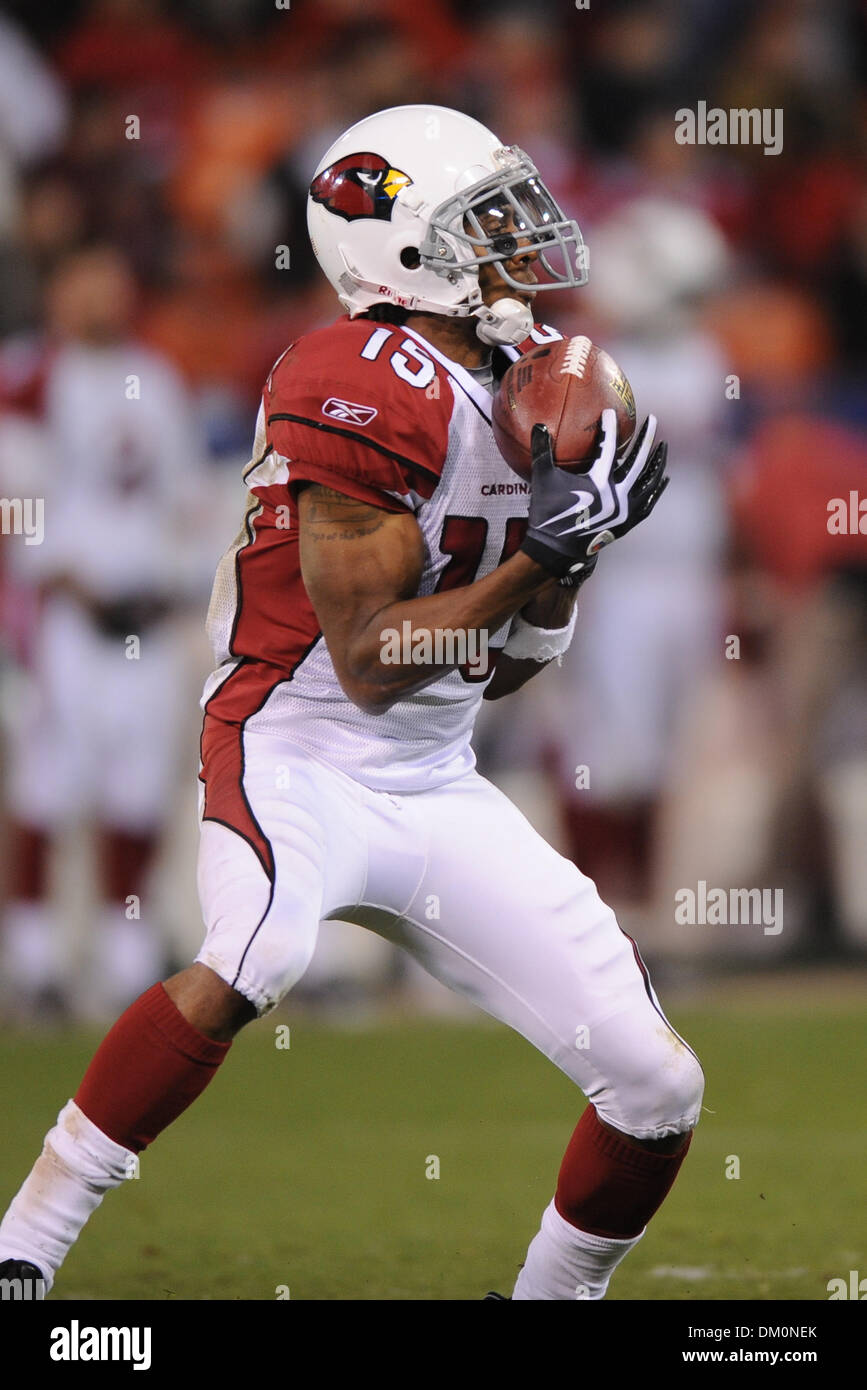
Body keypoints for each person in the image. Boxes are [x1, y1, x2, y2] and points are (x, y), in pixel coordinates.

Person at [0, 104, 702, 1301]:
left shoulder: (532, 375)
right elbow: (372, 656)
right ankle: (26, 1246)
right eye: (482, 224)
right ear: (401, 248)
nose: (515, 243)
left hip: (432, 777)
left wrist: (566, 559)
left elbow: (511, 664)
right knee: (256, 952)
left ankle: (550, 1301)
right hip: (296, 748)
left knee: (658, 1085)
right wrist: (542, 553)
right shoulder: (349, 372)